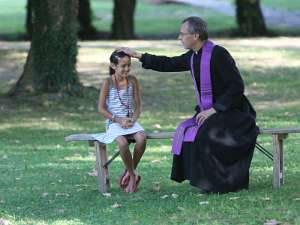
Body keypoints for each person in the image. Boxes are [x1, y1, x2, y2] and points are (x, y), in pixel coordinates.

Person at [119, 16, 259, 193]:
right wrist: (138, 55)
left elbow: (236, 87)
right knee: (190, 130)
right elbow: (168, 63)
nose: (179, 37)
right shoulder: (193, 56)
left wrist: (214, 110)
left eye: (182, 34)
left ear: (196, 35)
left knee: (207, 133)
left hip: (233, 111)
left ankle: (223, 183)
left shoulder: (219, 54)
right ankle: (206, 181)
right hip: (212, 112)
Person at [97, 50, 147, 193]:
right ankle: (132, 176)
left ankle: (130, 170)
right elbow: (100, 109)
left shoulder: (133, 80)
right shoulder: (107, 82)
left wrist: (133, 119)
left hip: (130, 122)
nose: (126, 69)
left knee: (142, 138)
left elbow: (138, 106)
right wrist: (118, 120)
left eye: (128, 65)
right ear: (113, 66)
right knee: (123, 143)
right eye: (123, 66)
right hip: (114, 122)